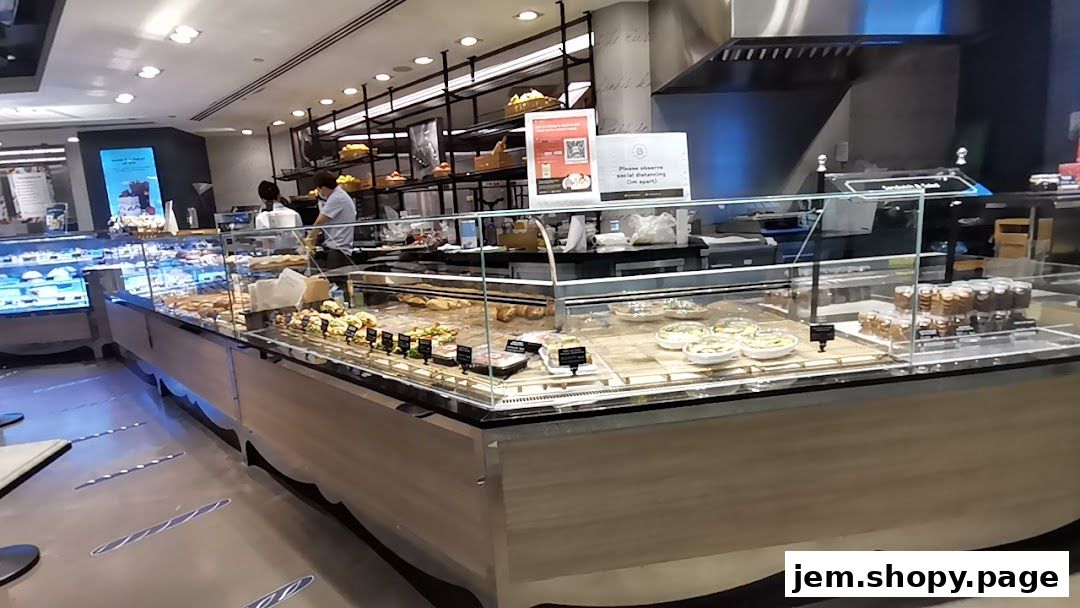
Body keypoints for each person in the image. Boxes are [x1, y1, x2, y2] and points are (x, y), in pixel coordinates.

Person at [308, 170, 357, 269]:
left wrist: (309, 242)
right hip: (338, 249)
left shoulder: (337, 197)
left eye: (319, 189)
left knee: (336, 281)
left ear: (324, 188)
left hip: (339, 251)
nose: (319, 192)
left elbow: (319, 222)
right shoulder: (338, 194)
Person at [254, 180, 302, 251]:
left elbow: (265, 244)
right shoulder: (294, 214)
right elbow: (301, 240)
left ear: (263, 200)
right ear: (279, 196)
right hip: (296, 257)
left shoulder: (261, 218)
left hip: (274, 259)